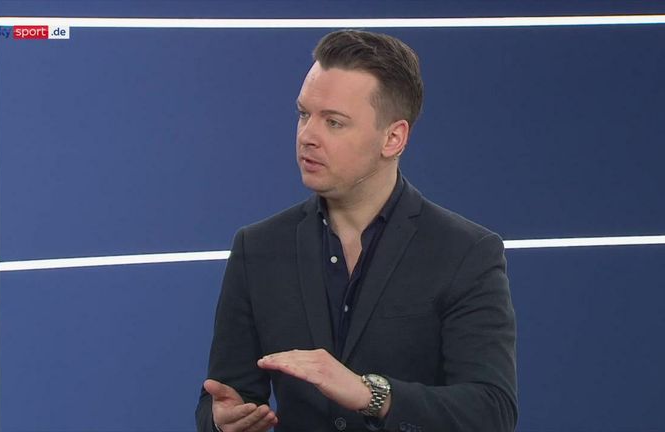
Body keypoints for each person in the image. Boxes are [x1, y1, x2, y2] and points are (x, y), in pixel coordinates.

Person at [196, 29, 517, 432]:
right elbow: (225, 396)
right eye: (303, 114)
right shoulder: (257, 248)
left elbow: (490, 412)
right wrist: (221, 421)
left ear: (393, 138)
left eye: (334, 122)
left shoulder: (466, 252)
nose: (307, 136)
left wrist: (370, 394)